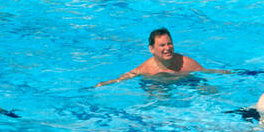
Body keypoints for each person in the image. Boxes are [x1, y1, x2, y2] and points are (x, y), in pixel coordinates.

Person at [98, 28, 229, 85]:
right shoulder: (146, 69)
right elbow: (124, 78)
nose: (167, 48)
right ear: (151, 49)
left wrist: (230, 73)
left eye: (169, 44)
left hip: (184, 84)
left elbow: (206, 72)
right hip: (156, 84)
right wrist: (102, 85)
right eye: (162, 45)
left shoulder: (185, 63)